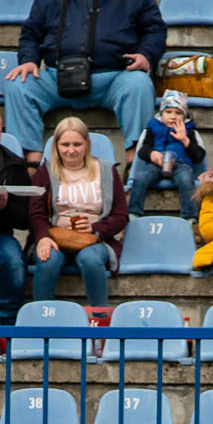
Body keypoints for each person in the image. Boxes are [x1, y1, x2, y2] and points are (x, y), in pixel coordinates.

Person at [3, 0, 167, 152]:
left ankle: (136, 161)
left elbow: (155, 29)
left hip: (112, 78)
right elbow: (31, 32)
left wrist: (147, 55)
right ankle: (28, 162)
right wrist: (29, 60)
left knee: (139, 84)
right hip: (57, 77)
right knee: (18, 85)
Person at [27, 117, 127, 307]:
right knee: (47, 260)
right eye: (65, 144)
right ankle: (39, 321)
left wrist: (95, 227)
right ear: (56, 145)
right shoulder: (44, 172)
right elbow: (35, 213)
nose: (71, 150)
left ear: (87, 143)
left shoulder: (106, 171)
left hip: (94, 239)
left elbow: (121, 215)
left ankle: (98, 322)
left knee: (90, 259)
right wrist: (42, 237)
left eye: (77, 144)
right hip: (55, 236)